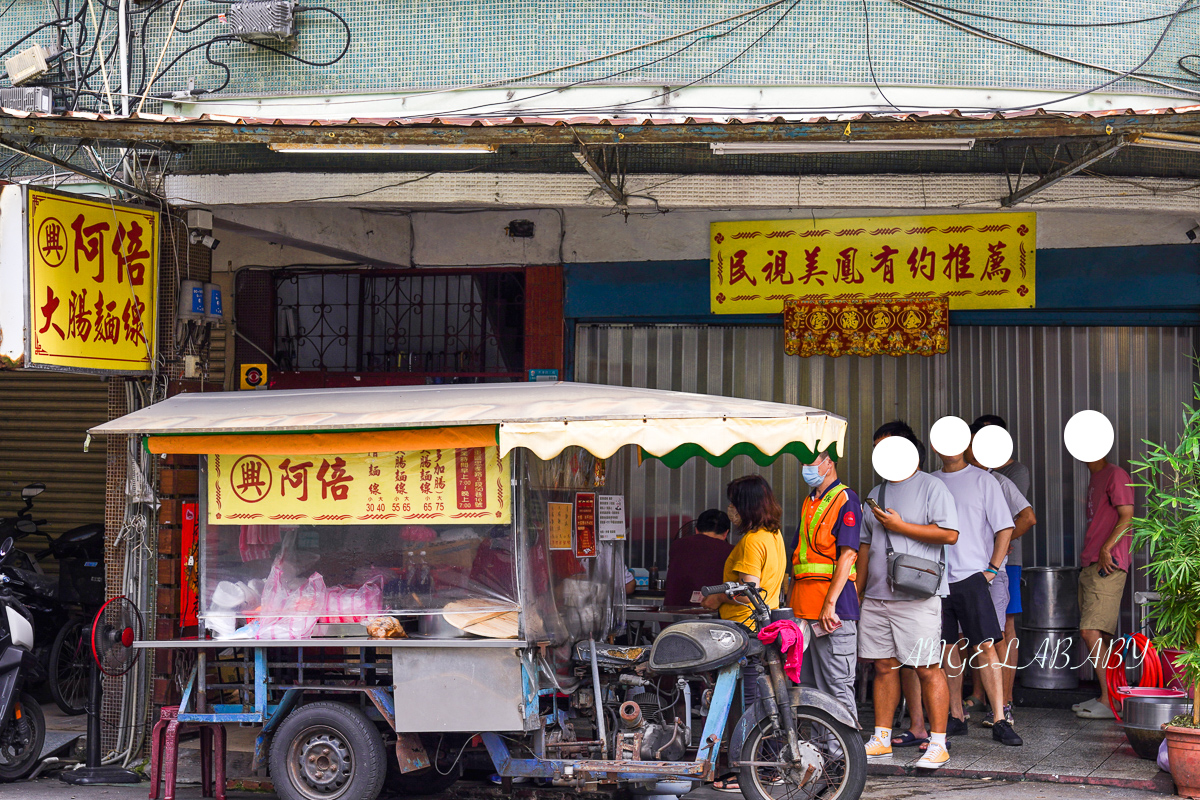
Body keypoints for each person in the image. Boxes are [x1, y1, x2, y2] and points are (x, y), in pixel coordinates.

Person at [857, 421, 959, 770]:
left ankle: (939, 743)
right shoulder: (877, 491)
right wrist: (857, 595)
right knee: (883, 667)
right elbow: (864, 549)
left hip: (918, 595)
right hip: (877, 597)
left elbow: (950, 534)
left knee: (928, 669)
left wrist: (902, 527)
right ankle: (881, 739)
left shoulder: (932, 487)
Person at [931, 436, 1023, 747]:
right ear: (935, 445)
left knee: (985, 646)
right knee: (948, 649)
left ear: (966, 445)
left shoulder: (985, 480)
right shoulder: (930, 482)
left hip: (973, 577)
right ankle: (956, 716)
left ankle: (1000, 718)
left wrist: (992, 569)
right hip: (938, 578)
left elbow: (1005, 528)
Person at [702, 475, 788, 793]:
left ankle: (748, 774)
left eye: (734, 502)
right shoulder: (773, 535)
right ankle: (770, 768)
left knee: (747, 703)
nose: (730, 509)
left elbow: (748, 592)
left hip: (745, 630)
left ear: (746, 505)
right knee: (763, 701)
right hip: (765, 629)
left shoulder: (752, 541)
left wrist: (717, 597)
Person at [960, 417, 1035, 729]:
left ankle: (1003, 704)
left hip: (997, 570)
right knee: (976, 636)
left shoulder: (1004, 479)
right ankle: (982, 698)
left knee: (1000, 633)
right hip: (967, 570)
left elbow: (1027, 518)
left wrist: (1000, 547)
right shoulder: (961, 480)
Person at [788, 450, 860, 721]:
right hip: (804, 609)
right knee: (809, 689)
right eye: (803, 462)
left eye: (812, 462)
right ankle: (821, 755)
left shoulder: (845, 499)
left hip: (833, 610)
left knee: (837, 688)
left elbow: (849, 554)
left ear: (829, 463)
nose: (806, 468)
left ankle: (845, 757)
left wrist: (830, 604)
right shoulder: (810, 501)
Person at [1071, 454, 1135, 719]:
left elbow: (1128, 515)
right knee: (1102, 634)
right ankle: (1107, 695)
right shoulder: (1095, 476)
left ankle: (1110, 701)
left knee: (1090, 630)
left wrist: (1107, 548)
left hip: (1108, 563)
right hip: (1092, 562)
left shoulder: (1115, 474)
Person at [663, 509, 733, 607]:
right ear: (726, 533)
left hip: (672, 615)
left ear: (696, 530)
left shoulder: (677, 545)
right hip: (713, 616)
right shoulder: (732, 551)